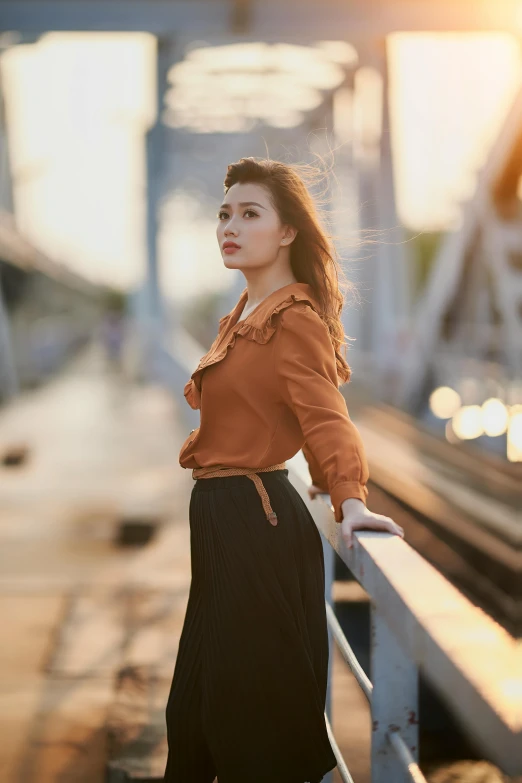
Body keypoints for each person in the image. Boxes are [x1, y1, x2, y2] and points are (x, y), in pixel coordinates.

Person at [163, 157, 404, 783]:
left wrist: (349, 498)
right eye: (223, 214)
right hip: (222, 524)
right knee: (193, 714)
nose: (228, 227)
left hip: (255, 526)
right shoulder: (244, 315)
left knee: (252, 728)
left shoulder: (291, 320)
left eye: (249, 214)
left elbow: (325, 418)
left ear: (288, 231)